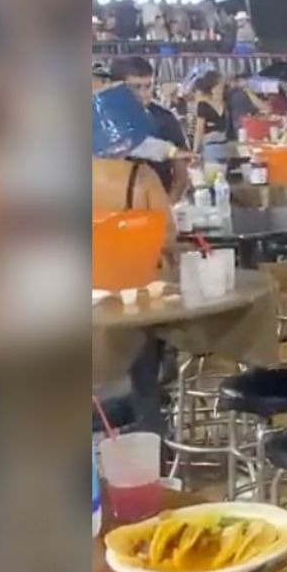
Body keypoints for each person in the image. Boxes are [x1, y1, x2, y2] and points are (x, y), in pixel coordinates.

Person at [92, 84, 176, 438]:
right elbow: (167, 234)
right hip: (138, 290)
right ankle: (152, 439)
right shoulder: (141, 177)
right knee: (144, 369)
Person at [110, 56, 191, 202]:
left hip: (157, 204)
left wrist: (167, 207)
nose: (143, 94)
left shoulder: (165, 118)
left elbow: (181, 175)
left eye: (148, 86)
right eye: (135, 87)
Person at [191, 70, 236, 161]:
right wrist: (194, 153)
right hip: (214, 146)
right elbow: (199, 129)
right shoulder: (204, 104)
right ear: (211, 87)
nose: (220, 90)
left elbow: (199, 130)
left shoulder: (226, 103)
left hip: (223, 145)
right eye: (218, 86)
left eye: (221, 87)